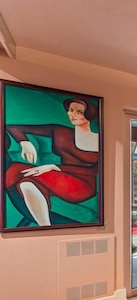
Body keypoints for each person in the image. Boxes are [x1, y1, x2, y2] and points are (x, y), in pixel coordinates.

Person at [5, 97, 99, 226]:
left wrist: (54, 167)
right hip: (60, 180)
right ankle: (45, 226)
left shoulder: (99, 140)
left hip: (82, 186)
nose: (72, 114)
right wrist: (24, 142)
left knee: (19, 169)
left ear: (89, 115)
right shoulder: (60, 131)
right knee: (26, 184)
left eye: (79, 112)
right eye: (71, 110)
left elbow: (94, 170)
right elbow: (12, 127)